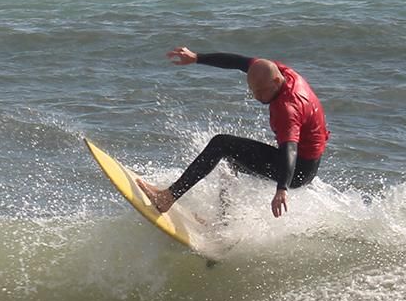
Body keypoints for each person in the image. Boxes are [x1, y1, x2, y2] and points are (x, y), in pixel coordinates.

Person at [137, 46, 329, 219]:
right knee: (230, 159)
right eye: (254, 92)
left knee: (221, 144)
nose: (258, 97)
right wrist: (196, 57)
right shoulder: (278, 73)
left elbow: (290, 149)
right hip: (302, 161)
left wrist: (282, 188)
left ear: (277, 81)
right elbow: (237, 62)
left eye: (262, 92)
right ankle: (223, 223)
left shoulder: (288, 108)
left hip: (297, 170)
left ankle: (167, 198)